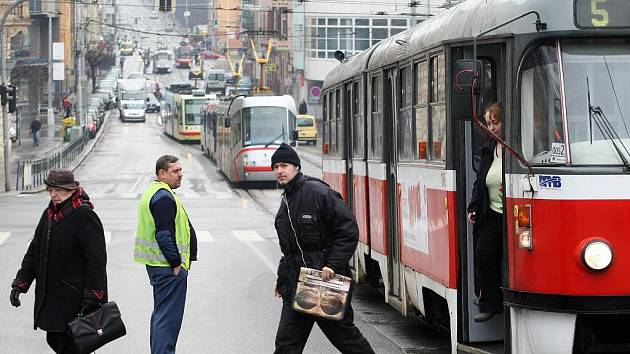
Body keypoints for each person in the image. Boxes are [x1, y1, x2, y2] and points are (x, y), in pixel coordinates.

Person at [271, 143, 374, 354]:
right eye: (275, 167)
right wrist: (282, 279)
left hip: (325, 283)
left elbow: (348, 231)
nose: (279, 171)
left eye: (284, 165)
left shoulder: (319, 193)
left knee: (347, 340)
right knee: (286, 344)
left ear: (296, 167)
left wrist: (333, 265)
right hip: (297, 285)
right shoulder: (287, 199)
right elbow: (290, 251)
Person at [10, 169, 107, 354]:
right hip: (51, 295)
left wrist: (94, 296)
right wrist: (20, 284)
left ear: (71, 190)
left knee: (72, 344)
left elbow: (97, 262)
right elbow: (34, 251)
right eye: (50, 190)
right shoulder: (49, 214)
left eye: (59, 190)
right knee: (55, 338)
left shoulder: (84, 215)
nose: (53, 195)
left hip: (74, 298)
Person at [134, 155, 198, 354]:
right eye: (175, 171)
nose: (180, 175)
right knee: (168, 321)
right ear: (162, 173)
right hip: (168, 268)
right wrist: (176, 263)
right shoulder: (162, 196)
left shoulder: (156, 191)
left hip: (160, 267)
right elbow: (163, 233)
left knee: (161, 316)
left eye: (180, 170)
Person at [467, 102, 504, 322]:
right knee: (483, 254)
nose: (491, 128)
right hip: (491, 212)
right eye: (488, 123)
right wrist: (473, 207)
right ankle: (490, 304)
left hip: (513, 213)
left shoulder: (515, 147)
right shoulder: (489, 147)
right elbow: (480, 181)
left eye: (495, 123)